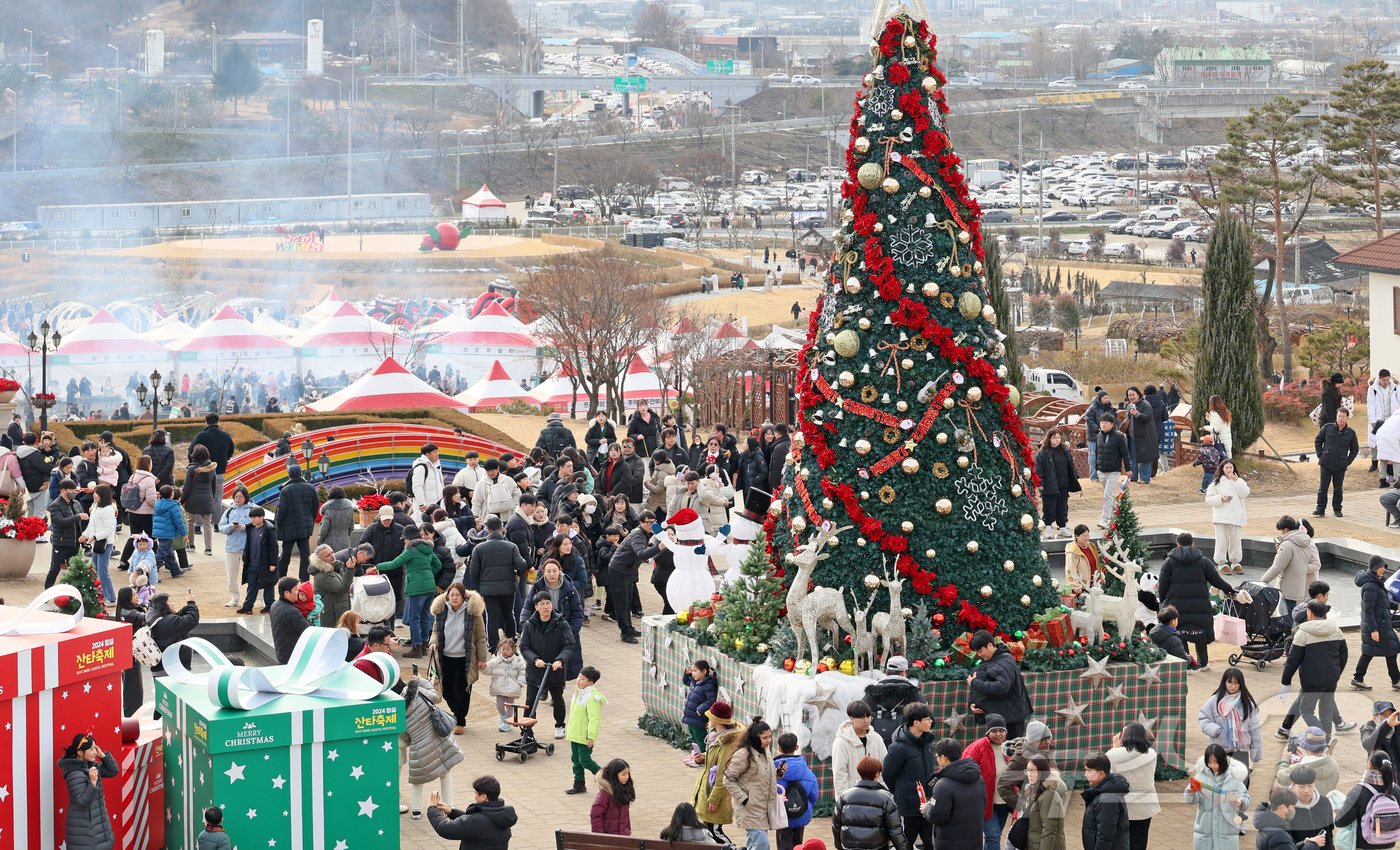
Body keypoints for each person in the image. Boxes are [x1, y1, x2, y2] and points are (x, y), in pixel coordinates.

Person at [1158, 532, 1236, 672]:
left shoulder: (1169, 562)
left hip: (1176, 606)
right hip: (1199, 606)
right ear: (1193, 544)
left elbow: (1162, 585)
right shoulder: (1203, 561)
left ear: (1178, 544)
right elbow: (1216, 580)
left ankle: (1186, 664)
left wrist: (1163, 603)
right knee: (1200, 633)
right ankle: (1204, 664)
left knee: (1180, 635)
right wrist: (1229, 589)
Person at [428, 581, 488, 733]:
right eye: (451, 594)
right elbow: (436, 631)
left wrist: (482, 658)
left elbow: (481, 637)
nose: (454, 598)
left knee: (463, 690)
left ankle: (460, 719)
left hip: (465, 658)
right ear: (447, 596)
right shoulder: (442, 611)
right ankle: (456, 712)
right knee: (447, 690)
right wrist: (433, 642)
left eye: (457, 595)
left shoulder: (473, 613)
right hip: (446, 656)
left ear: (463, 597)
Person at [401, 673, 463, 820]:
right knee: (445, 772)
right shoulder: (419, 692)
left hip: (418, 748)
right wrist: (421, 680)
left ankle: (416, 810)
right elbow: (436, 696)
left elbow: (404, 737)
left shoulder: (398, 709)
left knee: (417, 779)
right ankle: (450, 805)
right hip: (438, 740)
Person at [1282, 601, 1348, 735]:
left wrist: (1286, 680)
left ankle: (1323, 737)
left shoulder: (1303, 632)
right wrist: (1337, 673)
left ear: (1309, 613)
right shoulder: (1336, 630)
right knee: (1326, 713)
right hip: (1331, 679)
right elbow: (1344, 656)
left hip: (1311, 680)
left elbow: (1293, 660)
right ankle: (1326, 745)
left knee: (1306, 710)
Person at [380, 524, 443, 659]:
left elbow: (394, 564)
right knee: (426, 616)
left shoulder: (411, 551)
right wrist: (428, 575)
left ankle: (416, 647)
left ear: (409, 539)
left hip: (416, 588)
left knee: (415, 618)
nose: (403, 541)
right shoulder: (428, 549)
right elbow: (438, 565)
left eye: (405, 539)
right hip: (430, 587)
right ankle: (424, 646)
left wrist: (377, 566)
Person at [725, 718, 788, 850]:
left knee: (754, 843)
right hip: (749, 809)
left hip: (763, 808)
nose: (769, 740)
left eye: (770, 737)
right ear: (755, 737)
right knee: (762, 845)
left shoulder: (766, 752)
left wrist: (778, 772)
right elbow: (727, 780)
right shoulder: (743, 755)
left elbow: (763, 777)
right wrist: (744, 799)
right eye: (764, 737)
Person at [520, 592, 575, 739]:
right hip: (535, 670)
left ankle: (559, 725)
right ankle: (527, 730)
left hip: (555, 669)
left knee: (557, 699)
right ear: (536, 607)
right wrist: (535, 659)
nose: (546, 607)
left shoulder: (561, 623)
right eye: (542, 604)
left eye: (548, 603)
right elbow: (524, 647)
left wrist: (560, 660)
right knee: (530, 701)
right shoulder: (529, 624)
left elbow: (569, 645)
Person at [468, 515, 527, 652]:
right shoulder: (511, 546)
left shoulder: (479, 548)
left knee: (491, 618)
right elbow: (520, 564)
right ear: (502, 529)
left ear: (487, 530)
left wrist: (477, 590)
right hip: (508, 588)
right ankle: (511, 641)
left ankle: (493, 646)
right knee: (508, 614)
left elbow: (473, 572)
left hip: (488, 590)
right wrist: (519, 571)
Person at [884, 704, 937, 850]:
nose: (931, 721)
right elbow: (888, 775)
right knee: (905, 844)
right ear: (916, 722)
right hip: (908, 809)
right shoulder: (898, 748)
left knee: (932, 843)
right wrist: (903, 792)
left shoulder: (927, 744)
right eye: (927, 719)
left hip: (928, 806)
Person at [58, 732, 120, 850]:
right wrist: (92, 783)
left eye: (95, 749)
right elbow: (82, 801)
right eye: (91, 750)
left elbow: (113, 771)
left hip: (99, 831)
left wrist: (103, 755)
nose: (95, 753)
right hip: (86, 834)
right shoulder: (74, 774)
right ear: (80, 753)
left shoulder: (91, 767)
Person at [692, 703, 743, 844]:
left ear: (717, 720)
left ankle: (730, 848)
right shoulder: (716, 737)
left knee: (715, 831)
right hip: (708, 790)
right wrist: (703, 757)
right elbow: (714, 759)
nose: (708, 719)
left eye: (710, 717)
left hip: (716, 794)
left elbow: (723, 774)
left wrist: (714, 799)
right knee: (709, 830)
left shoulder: (726, 743)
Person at [967, 631, 1032, 739]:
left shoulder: (1003, 662)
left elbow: (1002, 687)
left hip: (1011, 721)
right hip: (1001, 718)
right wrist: (972, 702)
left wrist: (975, 682)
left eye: (980, 651)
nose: (979, 655)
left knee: (1010, 752)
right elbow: (981, 681)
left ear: (990, 645)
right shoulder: (992, 660)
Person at [834, 755, 908, 850]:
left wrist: (840, 846)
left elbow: (836, 827)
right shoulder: (886, 798)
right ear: (877, 774)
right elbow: (895, 830)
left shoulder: (844, 797)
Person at [1186, 743, 1251, 850]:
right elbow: (1191, 800)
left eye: (1216, 762)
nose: (1213, 766)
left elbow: (1246, 799)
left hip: (1227, 832)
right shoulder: (1200, 776)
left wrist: (1240, 802)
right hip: (1205, 832)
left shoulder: (1234, 776)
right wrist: (1191, 791)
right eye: (1209, 762)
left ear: (1223, 760)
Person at [608, 514, 661, 644]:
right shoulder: (638, 534)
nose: (652, 525)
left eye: (654, 522)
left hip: (628, 570)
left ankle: (629, 628)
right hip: (619, 570)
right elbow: (641, 553)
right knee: (622, 602)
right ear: (641, 523)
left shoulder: (643, 534)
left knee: (629, 600)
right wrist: (659, 547)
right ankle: (625, 632)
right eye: (649, 522)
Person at [425, 774, 517, 850]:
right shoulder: (501, 814)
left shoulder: (477, 821)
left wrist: (432, 808)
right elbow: (477, 821)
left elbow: (446, 829)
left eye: (476, 793)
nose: (475, 796)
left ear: (484, 796)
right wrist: (451, 812)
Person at [924, 737, 984, 850]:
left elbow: (936, 816)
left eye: (937, 756)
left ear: (944, 758)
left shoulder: (943, 785)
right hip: (975, 841)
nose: (936, 759)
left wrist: (926, 808)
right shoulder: (979, 778)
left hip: (949, 843)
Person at [1105, 724, 1159, 850]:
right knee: (1140, 839)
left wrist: (1115, 747)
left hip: (1124, 806)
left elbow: (1109, 774)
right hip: (1145, 806)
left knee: (1121, 841)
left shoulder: (1114, 755)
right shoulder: (1151, 753)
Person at [1198, 668, 1264, 771]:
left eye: (1237, 683)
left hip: (1241, 749)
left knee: (1241, 778)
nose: (1233, 686)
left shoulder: (1247, 703)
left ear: (1241, 684)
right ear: (1224, 682)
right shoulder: (1214, 701)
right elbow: (1203, 718)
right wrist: (1216, 730)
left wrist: (1256, 751)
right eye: (1230, 682)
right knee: (1221, 779)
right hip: (1220, 749)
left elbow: (1255, 729)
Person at [962, 714, 1010, 850]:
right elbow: (964, 772)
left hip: (1004, 802)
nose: (999, 734)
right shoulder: (976, 748)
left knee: (995, 835)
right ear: (987, 732)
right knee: (993, 835)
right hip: (984, 802)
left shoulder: (1010, 747)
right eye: (994, 731)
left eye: (1002, 730)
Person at [1335, 750, 1400, 850]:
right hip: (1389, 843)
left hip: (1365, 844)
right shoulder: (1395, 789)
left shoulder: (1358, 791)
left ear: (1369, 765)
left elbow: (1340, 821)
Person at [1354, 555, 1400, 691]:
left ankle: (1358, 678)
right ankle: (1396, 680)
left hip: (1381, 623)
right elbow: (1368, 610)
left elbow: (1382, 602)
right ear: (1374, 568)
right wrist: (1373, 630)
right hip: (1377, 625)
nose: (1383, 570)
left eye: (1384, 567)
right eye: (1380, 567)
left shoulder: (1376, 582)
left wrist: (1395, 605)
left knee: (1371, 652)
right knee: (1390, 651)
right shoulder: (1370, 586)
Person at [833, 700, 890, 799]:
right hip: (853, 796)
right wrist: (843, 799)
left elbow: (884, 766)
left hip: (876, 795)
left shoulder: (876, 738)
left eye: (868, 716)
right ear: (852, 718)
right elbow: (840, 774)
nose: (866, 720)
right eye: (861, 717)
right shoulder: (842, 741)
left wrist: (884, 791)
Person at [866, 656, 927, 746]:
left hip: (876, 744)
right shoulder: (914, 695)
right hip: (905, 745)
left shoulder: (872, 694)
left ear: (887, 671)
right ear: (903, 672)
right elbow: (926, 719)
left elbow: (861, 713)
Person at [564, 665, 607, 794]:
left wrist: (591, 737)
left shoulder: (592, 697)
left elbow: (594, 719)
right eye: (578, 677)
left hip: (584, 737)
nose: (578, 680)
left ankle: (604, 777)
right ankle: (579, 784)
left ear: (590, 683)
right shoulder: (578, 692)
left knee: (585, 761)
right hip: (575, 734)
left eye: (582, 679)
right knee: (576, 760)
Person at [187, 413, 235, 525]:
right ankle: (218, 524)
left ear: (206, 422)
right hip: (219, 471)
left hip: (202, 471)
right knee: (217, 497)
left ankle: (198, 525)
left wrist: (195, 464)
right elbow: (230, 452)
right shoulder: (226, 436)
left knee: (200, 496)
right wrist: (223, 461)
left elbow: (190, 451)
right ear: (218, 422)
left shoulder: (201, 436)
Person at [1205, 460, 1249, 575]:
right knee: (1221, 540)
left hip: (1236, 516)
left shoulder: (1239, 481)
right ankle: (1222, 563)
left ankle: (1235, 563)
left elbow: (1245, 493)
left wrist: (1237, 481)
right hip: (1222, 516)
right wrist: (1221, 499)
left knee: (1236, 540)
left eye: (1231, 467)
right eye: (1227, 468)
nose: (1229, 470)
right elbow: (1209, 498)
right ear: (1222, 469)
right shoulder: (1216, 483)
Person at [776, 731, 819, 850]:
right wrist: (806, 806)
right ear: (797, 747)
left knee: (783, 843)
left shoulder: (774, 772)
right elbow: (814, 795)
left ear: (779, 748)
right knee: (799, 844)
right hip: (801, 813)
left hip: (783, 816)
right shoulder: (808, 773)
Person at [275, 466, 319, 581]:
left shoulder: (286, 490)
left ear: (289, 475)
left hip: (288, 527)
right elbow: (315, 508)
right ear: (301, 474)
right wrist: (310, 520)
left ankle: (281, 575)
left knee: (286, 553)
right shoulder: (310, 488)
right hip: (305, 526)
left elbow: (282, 511)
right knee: (305, 554)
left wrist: (277, 523)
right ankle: (304, 579)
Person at [1314, 408, 1360, 518]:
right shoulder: (1327, 427)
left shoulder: (1351, 433)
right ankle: (1320, 509)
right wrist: (1320, 455)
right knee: (1323, 487)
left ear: (1347, 418)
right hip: (1326, 463)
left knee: (1338, 489)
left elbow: (1355, 449)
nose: (1340, 418)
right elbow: (1318, 440)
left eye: (1343, 417)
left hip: (1340, 465)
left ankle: (1337, 509)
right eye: (1339, 416)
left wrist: (1347, 461)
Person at [1035, 428, 1079, 540]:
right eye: (1054, 438)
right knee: (1049, 506)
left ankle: (1063, 527)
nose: (1057, 440)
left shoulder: (1064, 450)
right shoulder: (1043, 452)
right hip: (1050, 484)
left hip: (1064, 483)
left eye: (1059, 437)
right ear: (1049, 438)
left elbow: (1071, 465)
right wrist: (1040, 482)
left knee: (1063, 506)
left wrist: (1075, 475)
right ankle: (1048, 528)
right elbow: (1038, 469)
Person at [1274, 727, 1341, 798]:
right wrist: (1304, 759)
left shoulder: (1298, 769)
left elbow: (1281, 777)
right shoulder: (1335, 764)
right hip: (1326, 802)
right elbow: (1315, 765)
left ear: (1305, 746)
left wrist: (1285, 758)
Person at [1082, 753, 1130, 850]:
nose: (1085, 774)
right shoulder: (1102, 791)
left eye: (1089, 770)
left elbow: (1105, 836)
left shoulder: (1107, 799)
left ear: (1101, 773)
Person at [1265, 516, 1314, 612]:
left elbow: (1277, 567)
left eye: (1281, 531)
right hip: (1298, 588)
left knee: (1286, 617)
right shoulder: (1305, 543)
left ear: (1286, 529)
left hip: (1287, 589)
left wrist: (1263, 581)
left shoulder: (1287, 545)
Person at [147, 591, 200, 679]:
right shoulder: (169, 622)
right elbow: (191, 619)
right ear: (163, 605)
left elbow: (176, 617)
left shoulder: (154, 618)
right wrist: (191, 603)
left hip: (160, 667)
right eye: (170, 601)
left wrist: (185, 608)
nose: (173, 603)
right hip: (171, 669)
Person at [237, 506, 279, 614]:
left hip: (265, 563)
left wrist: (273, 563)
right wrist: (245, 557)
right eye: (251, 518)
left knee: (268, 584)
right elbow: (248, 545)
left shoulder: (269, 529)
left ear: (262, 517)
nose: (253, 520)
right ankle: (248, 606)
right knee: (252, 585)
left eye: (255, 517)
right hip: (252, 562)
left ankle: (269, 605)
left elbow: (274, 547)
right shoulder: (251, 528)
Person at [1283, 765, 1336, 850]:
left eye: (1310, 786)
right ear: (1293, 785)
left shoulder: (1324, 802)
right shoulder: (1286, 808)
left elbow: (1329, 831)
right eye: (1301, 787)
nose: (1306, 791)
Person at [80, 483, 118, 603]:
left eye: (96, 493)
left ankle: (111, 598)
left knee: (102, 571)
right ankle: (100, 595)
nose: (94, 495)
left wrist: (93, 537)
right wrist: (85, 535)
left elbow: (109, 530)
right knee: (95, 569)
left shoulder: (108, 510)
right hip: (97, 543)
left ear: (103, 495)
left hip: (105, 544)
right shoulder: (95, 507)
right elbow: (92, 525)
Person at [46, 478, 86, 587]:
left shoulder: (76, 503)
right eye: (71, 490)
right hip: (61, 543)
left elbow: (81, 522)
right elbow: (60, 522)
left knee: (74, 570)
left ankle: (72, 593)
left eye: (75, 490)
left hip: (75, 543)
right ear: (63, 491)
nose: (74, 492)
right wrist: (78, 517)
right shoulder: (55, 505)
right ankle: (47, 593)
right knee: (54, 569)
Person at [216, 487, 253, 607]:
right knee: (231, 576)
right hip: (231, 548)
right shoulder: (229, 511)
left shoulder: (252, 510)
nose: (238, 499)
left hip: (248, 548)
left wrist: (245, 528)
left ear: (245, 497)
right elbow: (221, 527)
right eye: (236, 497)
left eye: (241, 497)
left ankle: (256, 598)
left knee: (252, 575)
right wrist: (230, 527)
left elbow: (258, 526)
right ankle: (235, 598)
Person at [1256, 788, 1325, 850]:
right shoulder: (1279, 836)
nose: (1293, 810)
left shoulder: (1267, 824)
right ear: (1283, 808)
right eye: (1292, 806)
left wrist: (1304, 843)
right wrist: (1314, 845)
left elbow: (1285, 847)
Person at [181, 445, 218, 557]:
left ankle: (191, 545)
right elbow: (214, 486)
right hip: (207, 498)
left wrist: (182, 499)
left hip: (193, 499)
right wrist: (211, 497)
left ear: (194, 455)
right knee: (207, 524)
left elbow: (187, 487)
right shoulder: (212, 467)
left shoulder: (192, 469)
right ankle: (208, 548)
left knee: (190, 522)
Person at [1095, 414, 1131, 527]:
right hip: (1101, 470)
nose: (1103, 424)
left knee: (1107, 494)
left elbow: (1125, 453)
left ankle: (1104, 519)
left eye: (1106, 422)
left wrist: (1128, 469)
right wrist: (1097, 467)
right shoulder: (1099, 436)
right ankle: (1120, 514)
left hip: (1114, 471)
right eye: (1101, 422)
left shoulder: (1119, 437)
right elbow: (1097, 452)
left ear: (1112, 424)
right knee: (1109, 496)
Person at [115, 587, 147, 715]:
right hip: (131, 657)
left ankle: (132, 713)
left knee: (131, 687)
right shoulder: (130, 614)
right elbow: (146, 618)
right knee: (133, 688)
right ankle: (132, 716)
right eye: (134, 595)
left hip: (128, 655)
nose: (137, 596)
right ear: (128, 598)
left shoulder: (123, 611)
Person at [682, 659, 720, 766]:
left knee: (700, 738)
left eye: (696, 671)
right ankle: (694, 756)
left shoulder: (708, 685)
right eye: (692, 671)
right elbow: (686, 681)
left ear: (704, 671)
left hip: (699, 718)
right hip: (691, 717)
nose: (693, 673)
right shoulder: (695, 682)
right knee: (693, 737)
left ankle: (701, 758)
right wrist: (686, 673)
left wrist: (701, 709)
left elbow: (711, 700)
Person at [485, 637, 526, 733]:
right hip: (499, 688)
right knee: (499, 705)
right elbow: (488, 669)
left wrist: (519, 683)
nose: (505, 651)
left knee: (510, 706)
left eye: (508, 649)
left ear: (513, 650)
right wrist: (483, 667)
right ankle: (503, 716)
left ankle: (508, 722)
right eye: (503, 649)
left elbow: (522, 672)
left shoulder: (518, 661)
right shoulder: (496, 661)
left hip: (512, 689)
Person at [269, 577, 311, 664]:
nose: (298, 592)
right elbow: (308, 631)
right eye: (296, 589)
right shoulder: (292, 612)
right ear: (287, 593)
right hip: (294, 656)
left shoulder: (275, 605)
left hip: (282, 653)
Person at [591, 757, 635, 835]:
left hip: (622, 834)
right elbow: (595, 814)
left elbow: (625, 816)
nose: (627, 777)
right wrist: (600, 835)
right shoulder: (606, 793)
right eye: (623, 774)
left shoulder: (624, 789)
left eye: (628, 773)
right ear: (614, 775)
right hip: (609, 836)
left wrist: (627, 830)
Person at [1124, 388, 1156, 484]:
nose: (1131, 397)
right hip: (1132, 435)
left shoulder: (1146, 404)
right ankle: (1133, 477)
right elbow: (1127, 419)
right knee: (1132, 457)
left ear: (1138, 394)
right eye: (1129, 395)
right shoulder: (1129, 406)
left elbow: (1148, 417)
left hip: (1144, 436)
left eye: (1133, 394)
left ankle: (1145, 478)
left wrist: (1137, 413)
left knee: (1144, 457)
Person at [1064, 525, 1101, 603]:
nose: (1087, 538)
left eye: (1088, 535)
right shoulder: (1072, 551)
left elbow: (1096, 564)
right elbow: (1070, 570)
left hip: (1093, 585)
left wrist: (1100, 576)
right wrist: (1076, 586)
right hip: (1082, 589)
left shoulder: (1091, 546)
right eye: (1084, 536)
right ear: (1076, 536)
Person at [317, 487, 356, 554]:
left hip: (329, 543)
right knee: (344, 560)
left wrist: (320, 539)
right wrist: (345, 535)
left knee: (330, 562)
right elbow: (351, 527)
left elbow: (324, 528)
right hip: (345, 542)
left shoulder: (328, 509)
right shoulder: (350, 508)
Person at [410, 443, 445, 511]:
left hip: (437, 507)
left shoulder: (436, 467)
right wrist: (422, 503)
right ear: (427, 454)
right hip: (425, 508)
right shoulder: (421, 467)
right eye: (434, 452)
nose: (437, 454)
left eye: (437, 451)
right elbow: (417, 486)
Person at [1206, 395, 1234, 460]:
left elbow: (1216, 429)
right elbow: (1221, 423)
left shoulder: (1214, 413)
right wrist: (1209, 417)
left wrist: (1205, 427)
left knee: (1220, 460)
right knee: (1227, 459)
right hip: (1226, 439)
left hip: (1219, 440)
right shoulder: (1224, 411)